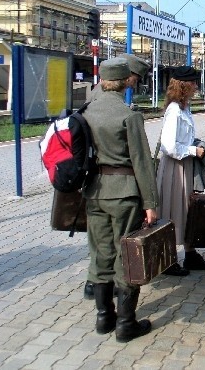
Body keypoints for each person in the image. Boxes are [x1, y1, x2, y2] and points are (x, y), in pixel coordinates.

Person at [82, 57, 158, 342]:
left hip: (94, 191)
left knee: (101, 253)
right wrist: (150, 203)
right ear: (127, 80)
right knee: (126, 255)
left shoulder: (86, 111)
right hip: (124, 193)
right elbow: (141, 162)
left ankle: (104, 318)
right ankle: (126, 323)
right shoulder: (128, 115)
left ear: (102, 80)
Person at [157, 66, 205, 277]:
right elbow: (169, 146)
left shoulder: (184, 108)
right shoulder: (174, 110)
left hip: (184, 165)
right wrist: (193, 150)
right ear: (185, 85)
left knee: (186, 211)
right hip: (175, 167)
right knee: (172, 211)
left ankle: (190, 254)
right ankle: (167, 260)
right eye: (193, 83)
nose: (197, 87)